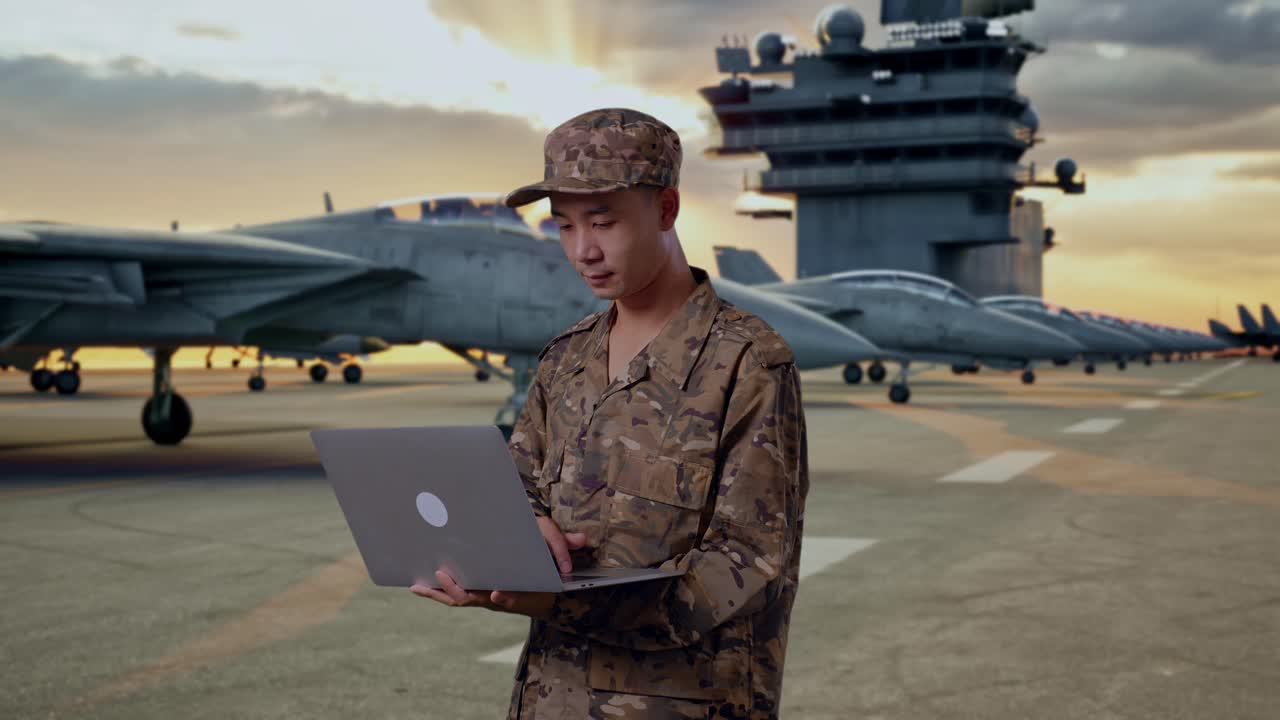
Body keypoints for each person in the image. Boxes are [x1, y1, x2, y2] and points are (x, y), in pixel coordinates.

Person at [411, 107, 809, 719]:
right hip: (550, 699)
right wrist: (500, 550)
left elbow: (747, 567)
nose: (583, 251)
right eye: (564, 227)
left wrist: (553, 601)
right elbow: (516, 491)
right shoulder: (566, 360)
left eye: (603, 222)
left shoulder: (747, 364)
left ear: (667, 211)